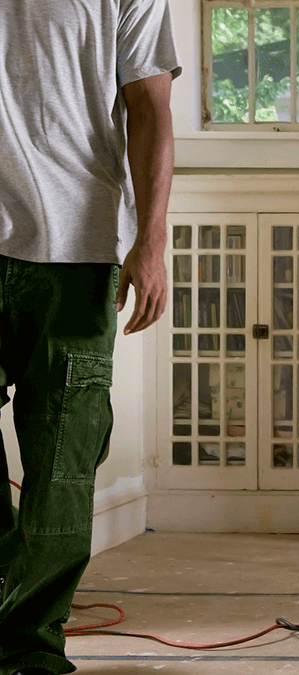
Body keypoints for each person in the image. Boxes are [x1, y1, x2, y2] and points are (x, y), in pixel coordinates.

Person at [0, 1, 180, 673]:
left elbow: (151, 107)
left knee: (63, 463)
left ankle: (27, 649)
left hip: (76, 247)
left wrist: (152, 242)